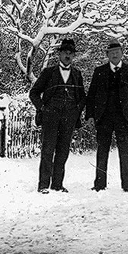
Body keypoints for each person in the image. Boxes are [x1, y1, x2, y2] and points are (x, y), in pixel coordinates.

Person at [29, 37, 86, 194]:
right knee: (47, 151)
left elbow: (82, 97)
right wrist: (43, 109)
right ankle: (43, 185)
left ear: (73, 56)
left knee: (63, 152)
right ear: (59, 54)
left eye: (70, 53)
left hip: (69, 119)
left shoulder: (77, 74)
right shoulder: (49, 73)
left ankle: (57, 184)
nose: (68, 56)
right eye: (65, 52)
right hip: (50, 118)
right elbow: (34, 93)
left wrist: (76, 111)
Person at [86, 41, 128, 193]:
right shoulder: (99, 72)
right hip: (104, 118)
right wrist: (90, 115)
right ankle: (99, 184)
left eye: (117, 51)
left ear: (122, 53)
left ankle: (127, 184)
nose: (114, 54)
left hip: (124, 119)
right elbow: (91, 95)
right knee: (102, 151)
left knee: (125, 152)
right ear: (107, 55)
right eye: (111, 52)